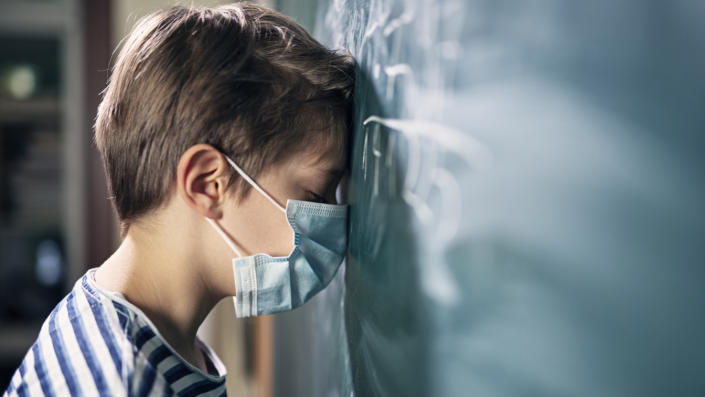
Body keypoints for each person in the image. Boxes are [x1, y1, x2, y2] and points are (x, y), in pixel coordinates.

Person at [3, 2, 355, 396]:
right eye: (315, 192)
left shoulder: (145, 336)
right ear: (208, 184)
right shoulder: (121, 383)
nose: (333, 216)